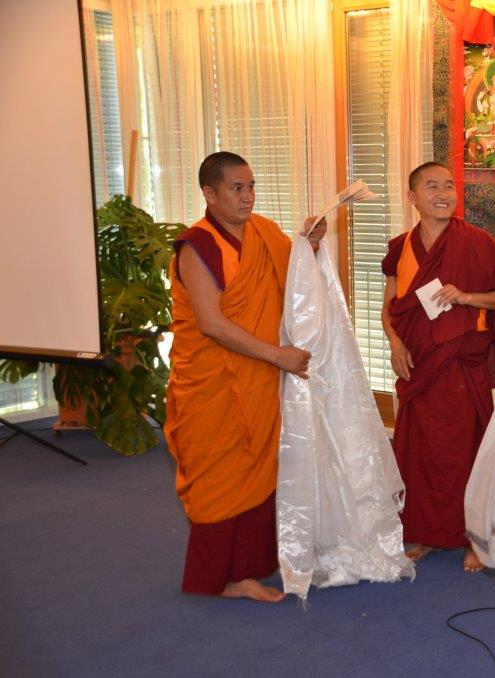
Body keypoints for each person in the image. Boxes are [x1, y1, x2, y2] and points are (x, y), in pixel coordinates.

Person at [165, 151, 325, 602]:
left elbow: (291, 276)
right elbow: (212, 324)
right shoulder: (196, 246)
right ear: (210, 193)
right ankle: (212, 577)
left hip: (257, 377)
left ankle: (244, 572)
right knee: (219, 475)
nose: (248, 196)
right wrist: (277, 356)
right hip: (212, 382)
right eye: (237, 188)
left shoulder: (263, 233)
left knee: (258, 468)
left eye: (251, 186)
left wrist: (309, 245)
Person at [382, 162, 495, 573]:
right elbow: (390, 307)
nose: (443, 193)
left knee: (467, 454)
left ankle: (473, 536)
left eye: (448, 186)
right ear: (412, 197)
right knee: (421, 455)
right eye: (432, 186)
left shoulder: (478, 243)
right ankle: (427, 533)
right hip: (419, 366)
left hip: (462, 366)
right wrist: (393, 343)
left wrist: (466, 297)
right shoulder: (400, 248)